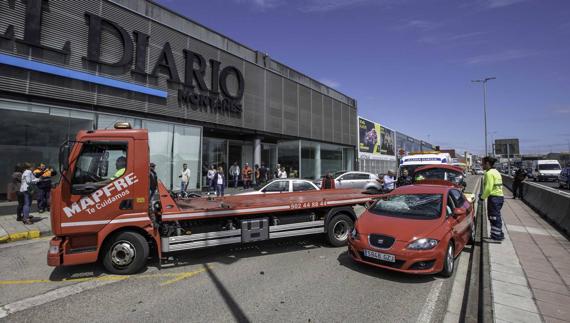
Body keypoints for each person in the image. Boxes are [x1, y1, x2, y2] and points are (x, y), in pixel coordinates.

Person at [480, 156, 505, 241]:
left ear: (487, 163)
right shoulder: (496, 172)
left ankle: (496, 236)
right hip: (500, 197)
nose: (481, 165)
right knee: (496, 216)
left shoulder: (489, 173)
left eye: (482, 163)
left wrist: (482, 197)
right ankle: (499, 234)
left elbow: (488, 188)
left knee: (493, 217)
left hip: (494, 198)